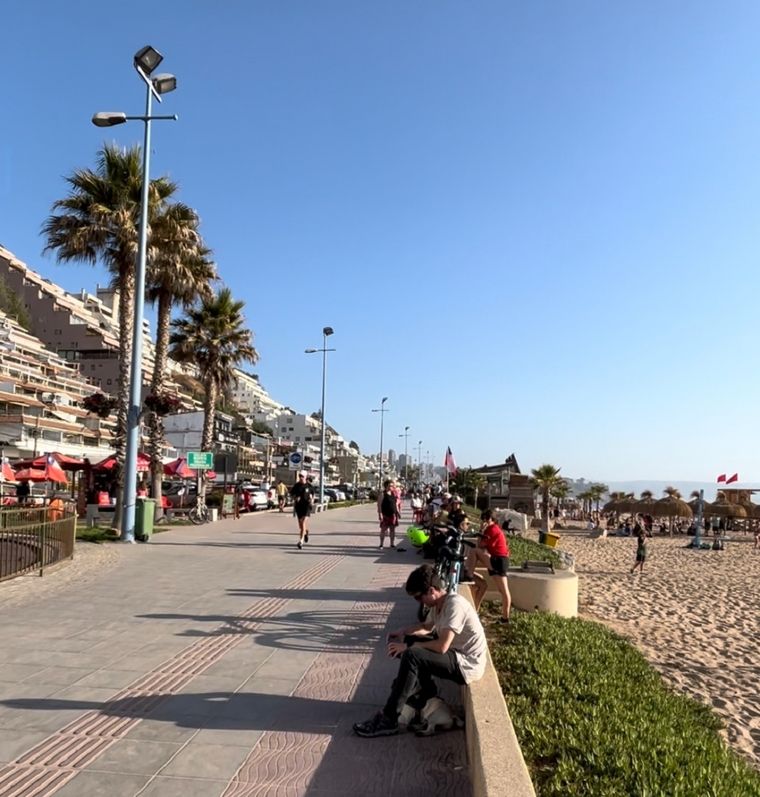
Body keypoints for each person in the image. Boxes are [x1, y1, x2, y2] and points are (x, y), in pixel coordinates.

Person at [353, 564, 487, 738]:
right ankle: (425, 694)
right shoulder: (438, 603)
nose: (419, 602)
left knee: (412, 654)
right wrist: (403, 632)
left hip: (467, 664)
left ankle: (389, 718)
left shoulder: (455, 605)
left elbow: (442, 646)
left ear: (431, 591)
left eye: (418, 597)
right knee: (410, 644)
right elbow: (426, 627)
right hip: (454, 654)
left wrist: (409, 647)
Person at [462, 509, 511, 623]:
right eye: (483, 519)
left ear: (491, 519)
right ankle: (505, 618)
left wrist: (481, 530)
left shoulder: (491, 529)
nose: (484, 521)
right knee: (503, 590)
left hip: (498, 560)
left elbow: (480, 545)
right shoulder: (495, 528)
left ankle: (468, 575)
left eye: (486, 519)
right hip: (500, 559)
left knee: (475, 551)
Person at [290, 472, 314, 549]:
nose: (301, 477)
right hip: (299, 507)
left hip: (307, 507)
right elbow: (291, 494)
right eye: (299, 476)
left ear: (306, 477)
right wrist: (295, 498)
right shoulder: (296, 486)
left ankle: (301, 541)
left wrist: (311, 500)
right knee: (301, 526)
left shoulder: (309, 486)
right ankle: (306, 532)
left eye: (302, 476)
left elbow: (313, 495)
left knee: (303, 522)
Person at [377, 479, 400, 548]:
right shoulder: (382, 494)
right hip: (385, 515)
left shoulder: (393, 493)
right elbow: (379, 505)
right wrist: (380, 514)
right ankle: (381, 544)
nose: (392, 487)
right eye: (390, 486)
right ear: (386, 486)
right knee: (383, 529)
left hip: (393, 515)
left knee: (392, 530)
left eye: (392, 486)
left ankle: (392, 544)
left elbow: (395, 504)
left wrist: (398, 512)